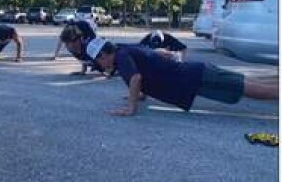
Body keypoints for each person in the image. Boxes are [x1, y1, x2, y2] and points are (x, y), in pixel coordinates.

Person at [86, 38, 278, 117]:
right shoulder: (125, 51)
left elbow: (136, 78)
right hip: (195, 75)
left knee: (245, 88)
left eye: (98, 62)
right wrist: (140, 95)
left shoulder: (121, 57)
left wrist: (131, 106)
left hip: (195, 77)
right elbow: (148, 67)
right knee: (244, 84)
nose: (100, 67)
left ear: (103, 56)